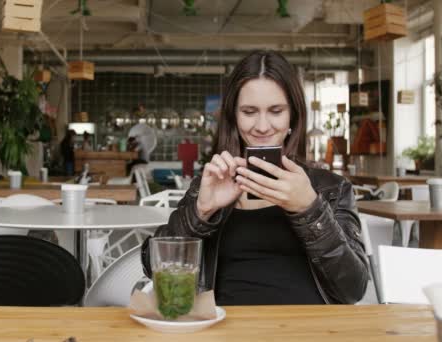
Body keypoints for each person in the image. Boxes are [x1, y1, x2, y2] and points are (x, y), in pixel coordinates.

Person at [141, 51, 368, 305]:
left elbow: (353, 289)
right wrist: (200, 212)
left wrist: (309, 208)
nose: (262, 126)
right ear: (234, 118)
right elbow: (153, 266)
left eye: (276, 111)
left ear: (292, 115)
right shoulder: (213, 183)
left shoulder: (331, 188)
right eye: (249, 111)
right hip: (224, 330)